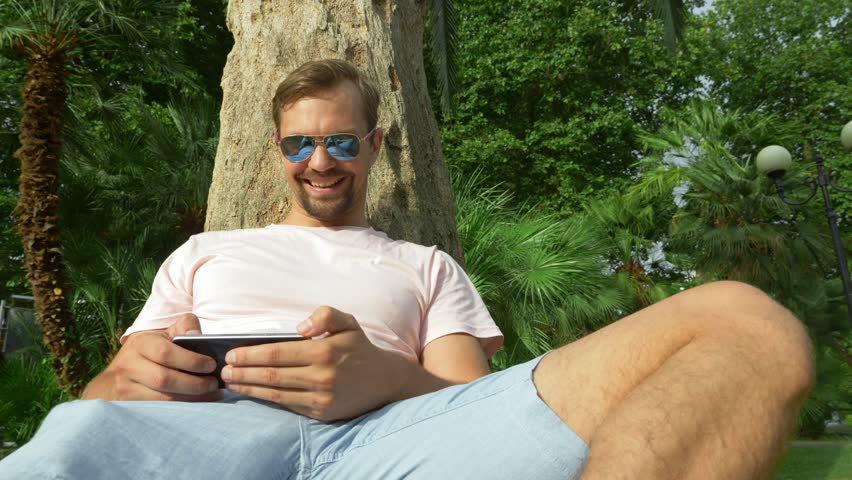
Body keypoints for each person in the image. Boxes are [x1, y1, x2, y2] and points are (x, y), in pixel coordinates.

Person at [0, 59, 814, 480]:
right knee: (78, 431)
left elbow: (468, 405)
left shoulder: (426, 265)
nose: (321, 162)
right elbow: (103, 397)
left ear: (376, 147)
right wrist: (132, 374)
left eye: (342, 141)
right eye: (300, 144)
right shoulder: (206, 253)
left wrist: (378, 376)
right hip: (202, 440)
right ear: (277, 153)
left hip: (394, 445)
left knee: (745, 322)